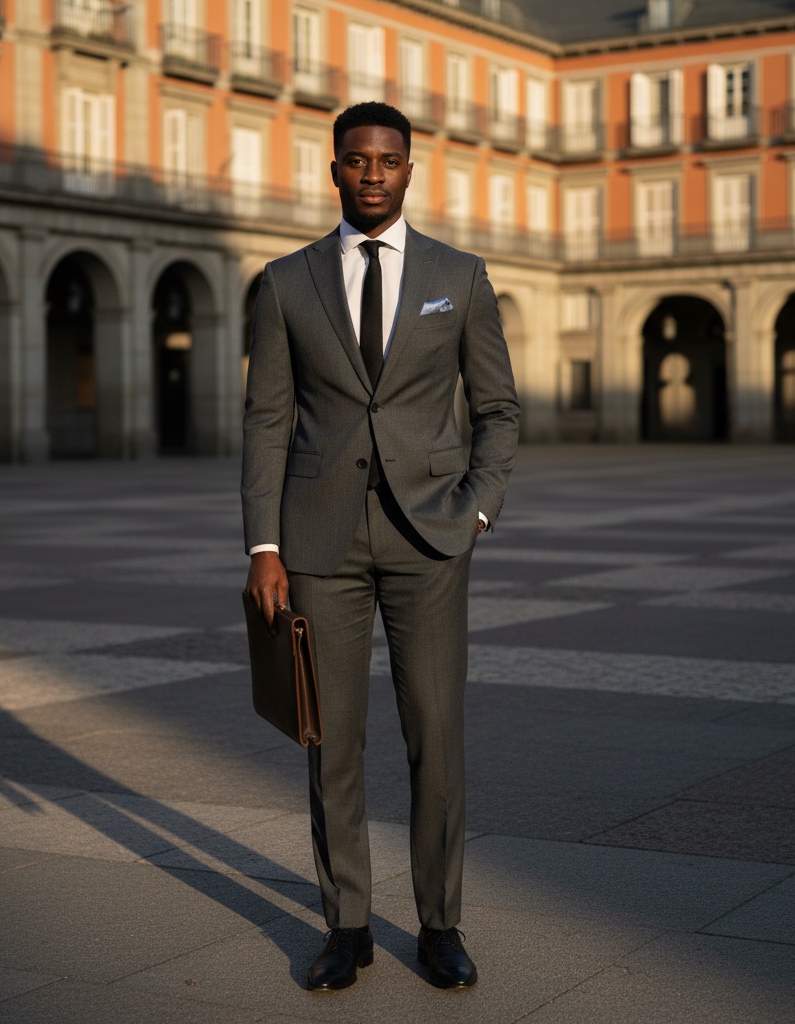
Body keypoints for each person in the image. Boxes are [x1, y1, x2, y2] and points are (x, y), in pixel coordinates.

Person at [242, 101, 519, 991]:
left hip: (429, 539)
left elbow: (499, 410)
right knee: (334, 743)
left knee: (436, 734)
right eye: (356, 159)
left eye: (388, 160)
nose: (372, 173)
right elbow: (267, 420)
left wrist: (474, 513)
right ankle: (347, 924)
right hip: (319, 542)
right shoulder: (286, 284)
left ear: (410, 170)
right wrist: (263, 545)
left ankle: (440, 923)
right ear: (332, 169)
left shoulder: (460, 275)